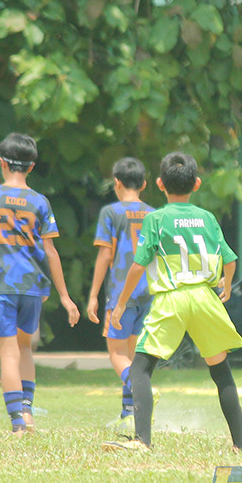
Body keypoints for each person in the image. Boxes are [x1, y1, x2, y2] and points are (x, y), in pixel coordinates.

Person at [103, 152, 242, 453]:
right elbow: (230, 260)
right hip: (205, 298)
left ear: (159, 184)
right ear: (196, 183)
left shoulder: (156, 219)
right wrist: (226, 286)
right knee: (220, 370)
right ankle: (240, 443)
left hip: (171, 299)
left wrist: (120, 304)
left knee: (140, 368)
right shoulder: (207, 218)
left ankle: (142, 441)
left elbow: (139, 265)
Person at [0, 133, 80, 435]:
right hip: (33, 286)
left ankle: (18, 424)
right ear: (31, 167)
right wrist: (65, 296)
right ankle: (28, 412)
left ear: (1, 163)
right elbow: (51, 250)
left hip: (2, 284)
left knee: (7, 353)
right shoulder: (40, 201)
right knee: (25, 350)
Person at [86, 157, 155, 433]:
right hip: (147, 293)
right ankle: (129, 412)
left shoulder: (111, 213)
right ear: (145, 184)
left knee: (116, 355)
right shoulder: (153, 214)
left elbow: (105, 254)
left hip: (119, 294)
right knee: (133, 354)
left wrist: (93, 295)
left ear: (116, 183)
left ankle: (142, 388)